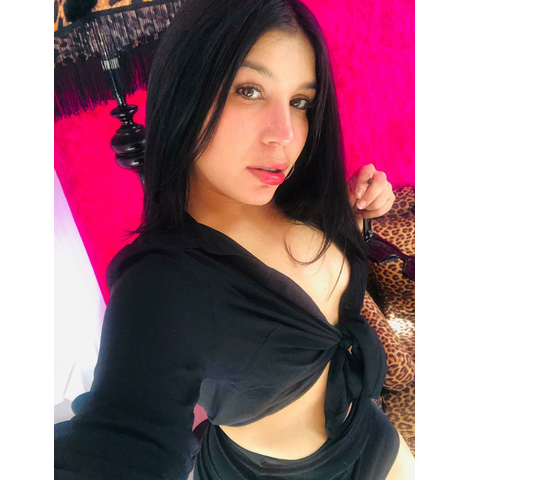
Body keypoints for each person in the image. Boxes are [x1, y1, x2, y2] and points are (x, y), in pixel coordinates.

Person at [54, 0, 414, 478]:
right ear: (185, 91)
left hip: (371, 433)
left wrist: (359, 216)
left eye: (300, 102)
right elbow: (123, 441)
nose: (285, 134)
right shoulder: (161, 283)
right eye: (249, 90)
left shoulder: (294, 198)